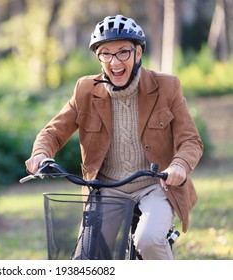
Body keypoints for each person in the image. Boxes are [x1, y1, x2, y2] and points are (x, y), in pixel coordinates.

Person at [24, 14, 203, 260]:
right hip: (107, 189)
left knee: (148, 240)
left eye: (122, 53)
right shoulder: (85, 90)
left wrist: (179, 165)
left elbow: (190, 140)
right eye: (106, 53)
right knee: (86, 259)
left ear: (138, 53)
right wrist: (40, 154)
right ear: (99, 58)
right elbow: (53, 131)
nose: (114, 61)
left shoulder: (167, 87)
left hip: (155, 185)